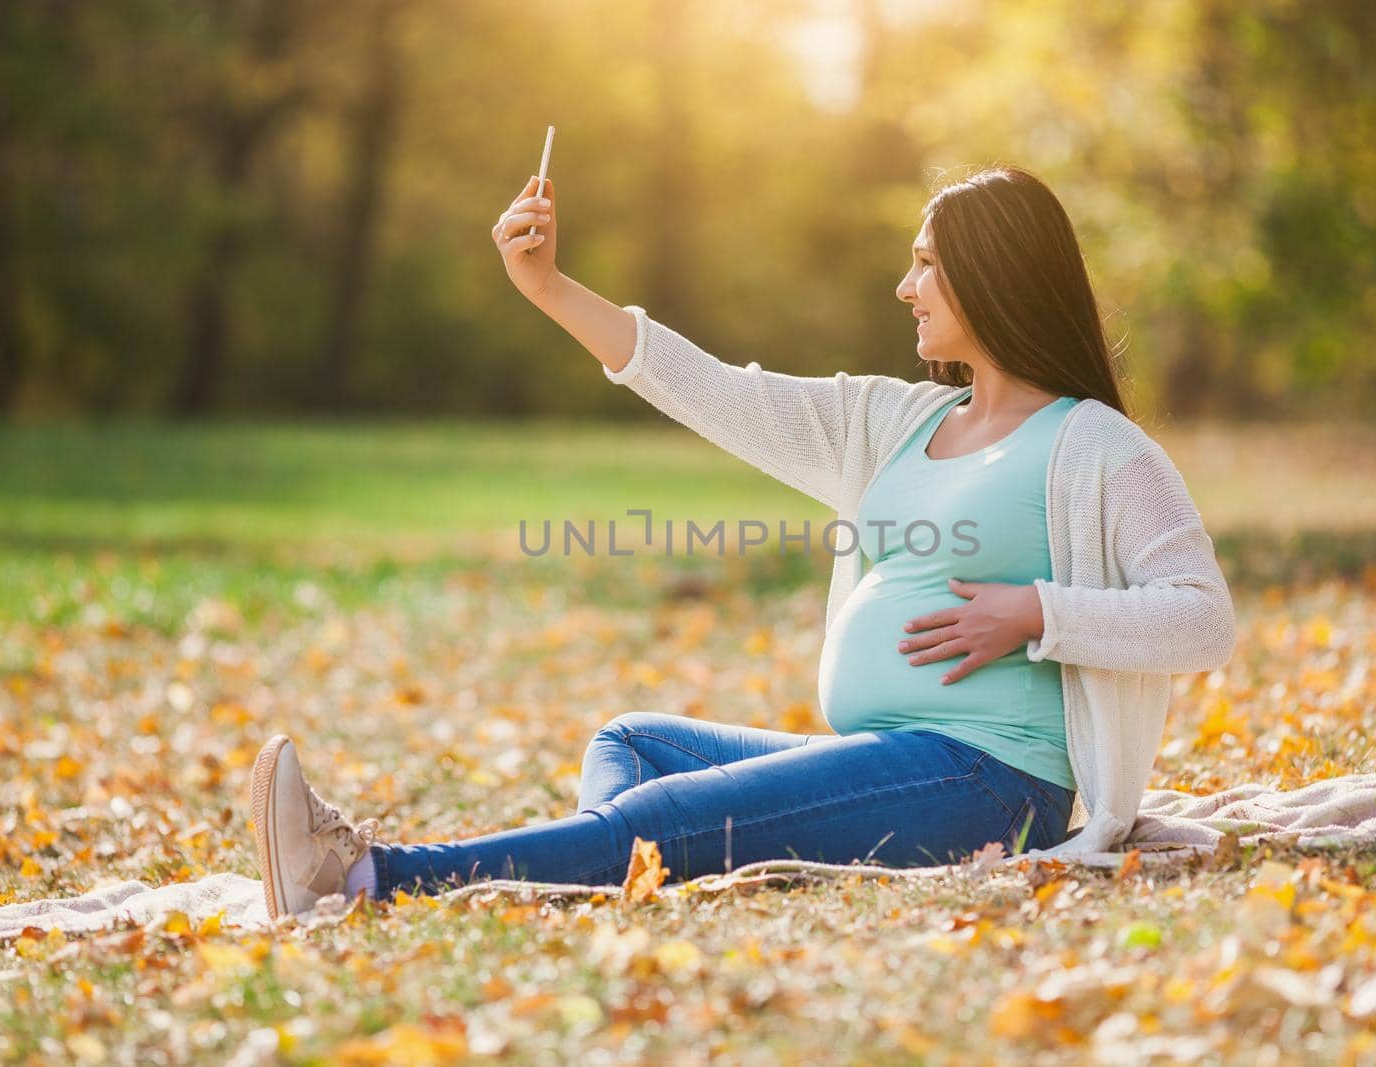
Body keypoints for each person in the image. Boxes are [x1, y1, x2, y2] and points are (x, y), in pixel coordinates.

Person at [248, 165, 1238, 920]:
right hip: (893, 758)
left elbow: (1201, 617)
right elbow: (716, 388)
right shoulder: (891, 422)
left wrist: (1036, 610)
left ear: (997, 274)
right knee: (632, 743)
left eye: (928, 261)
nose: (906, 285)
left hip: (987, 787)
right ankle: (620, 868)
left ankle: (368, 877)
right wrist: (548, 288)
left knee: (664, 815)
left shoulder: (1094, 445)